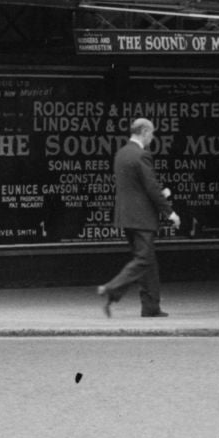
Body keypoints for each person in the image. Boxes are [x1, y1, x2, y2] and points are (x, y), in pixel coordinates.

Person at [95, 117, 178, 318]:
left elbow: (136, 187)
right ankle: (111, 287)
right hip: (142, 218)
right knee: (143, 259)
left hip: (127, 217)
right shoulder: (141, 155)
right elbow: (150, 187)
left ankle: (150, 307)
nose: (153, 137)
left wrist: (161, 193)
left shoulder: (121, 154)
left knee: (147, 261)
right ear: (144, 132)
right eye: (152, 133)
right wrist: (170, 212)